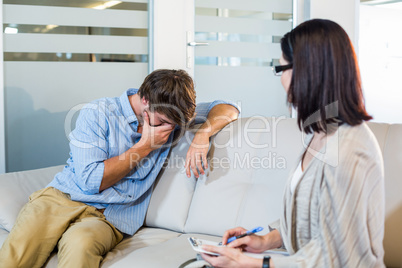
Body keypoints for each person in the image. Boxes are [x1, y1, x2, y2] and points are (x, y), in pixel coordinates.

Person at [0, 69, 240, 268]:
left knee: (80, 245)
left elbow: (228, 107)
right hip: (61, 199)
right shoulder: (98, 114)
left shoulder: (170, 113)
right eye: (166, 123)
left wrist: (203, 135)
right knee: (16, 255)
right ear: (144, 101)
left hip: (109, 217)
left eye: (176, 124)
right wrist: (145, 146)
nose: (171, 130)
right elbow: (91, 181)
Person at [201, 19, 385, 268]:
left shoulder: (351, 149)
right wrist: (266, 240)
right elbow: (313, 221)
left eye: (282, 68)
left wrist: (251, 263)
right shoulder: (321, 133)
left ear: (307, 71)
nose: (281, 80)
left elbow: (339, 256)